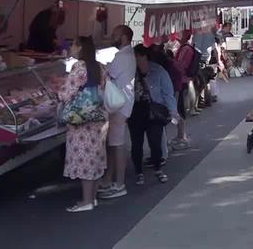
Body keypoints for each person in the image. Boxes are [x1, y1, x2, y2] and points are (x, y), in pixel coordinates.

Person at [60, 36, 108, 212]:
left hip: (81, 121)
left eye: (73, 44)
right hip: (99, 118)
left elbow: (66, 93)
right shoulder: (101, 67)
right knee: (95, 158)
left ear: (80, 48)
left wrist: (58, 95)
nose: (71, 47)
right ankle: (92, 198)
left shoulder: (79, 67)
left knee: (84, 160)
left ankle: (86, 201)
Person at [98, 25, 135, 200]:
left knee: (117, 145)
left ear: (124, 37)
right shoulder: (126, 54)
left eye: (115, 35)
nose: (112, 37)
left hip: (119, 105)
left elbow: (106, 75)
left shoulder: (122, 56)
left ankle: (119, 184)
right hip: (122, 104)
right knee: (113, 144)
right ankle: (108, 180)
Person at [129, 45, 174, 186]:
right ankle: (139, 172)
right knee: (137, 143)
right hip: (135, 109)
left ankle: (158, 168)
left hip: (153, 109)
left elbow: (168, 93)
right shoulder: (129, 71)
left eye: (139, 57)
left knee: (155, 141)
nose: (137, 61)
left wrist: (173, 112)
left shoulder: (158, 71)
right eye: (135, 58)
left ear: (145, 57)